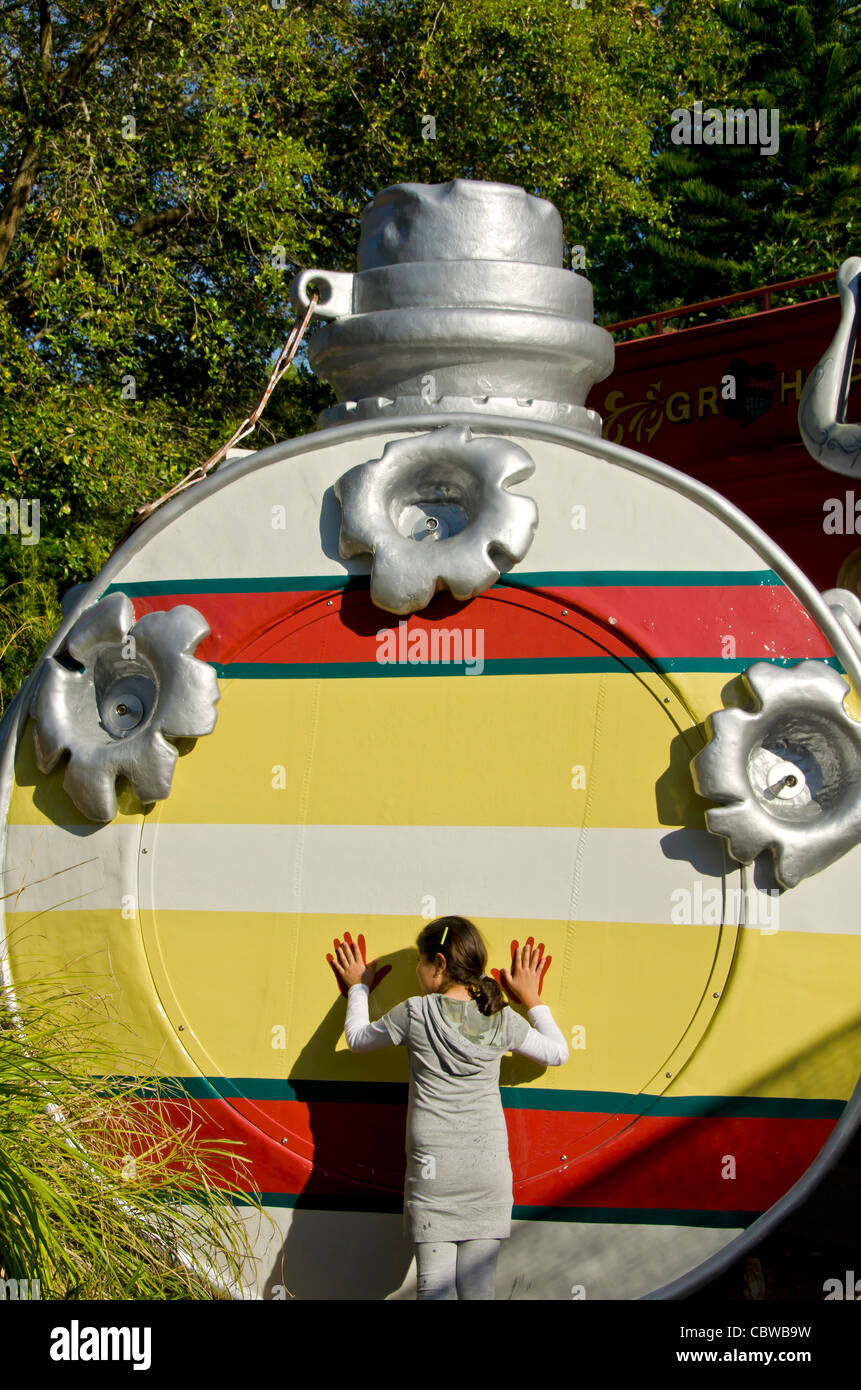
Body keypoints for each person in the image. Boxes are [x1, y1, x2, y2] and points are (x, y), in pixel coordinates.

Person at [329, 914, 568, 1300]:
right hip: (487, 1172)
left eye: (422, 962)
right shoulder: (501, 1017)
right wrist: (533, 999)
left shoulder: (415, 1014)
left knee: (433, 1291)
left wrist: (359, 987)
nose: (419, 972)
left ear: (438, 965)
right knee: (478, 1290)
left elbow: (356, 1039)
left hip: (434, 1172)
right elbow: (557, 1053)